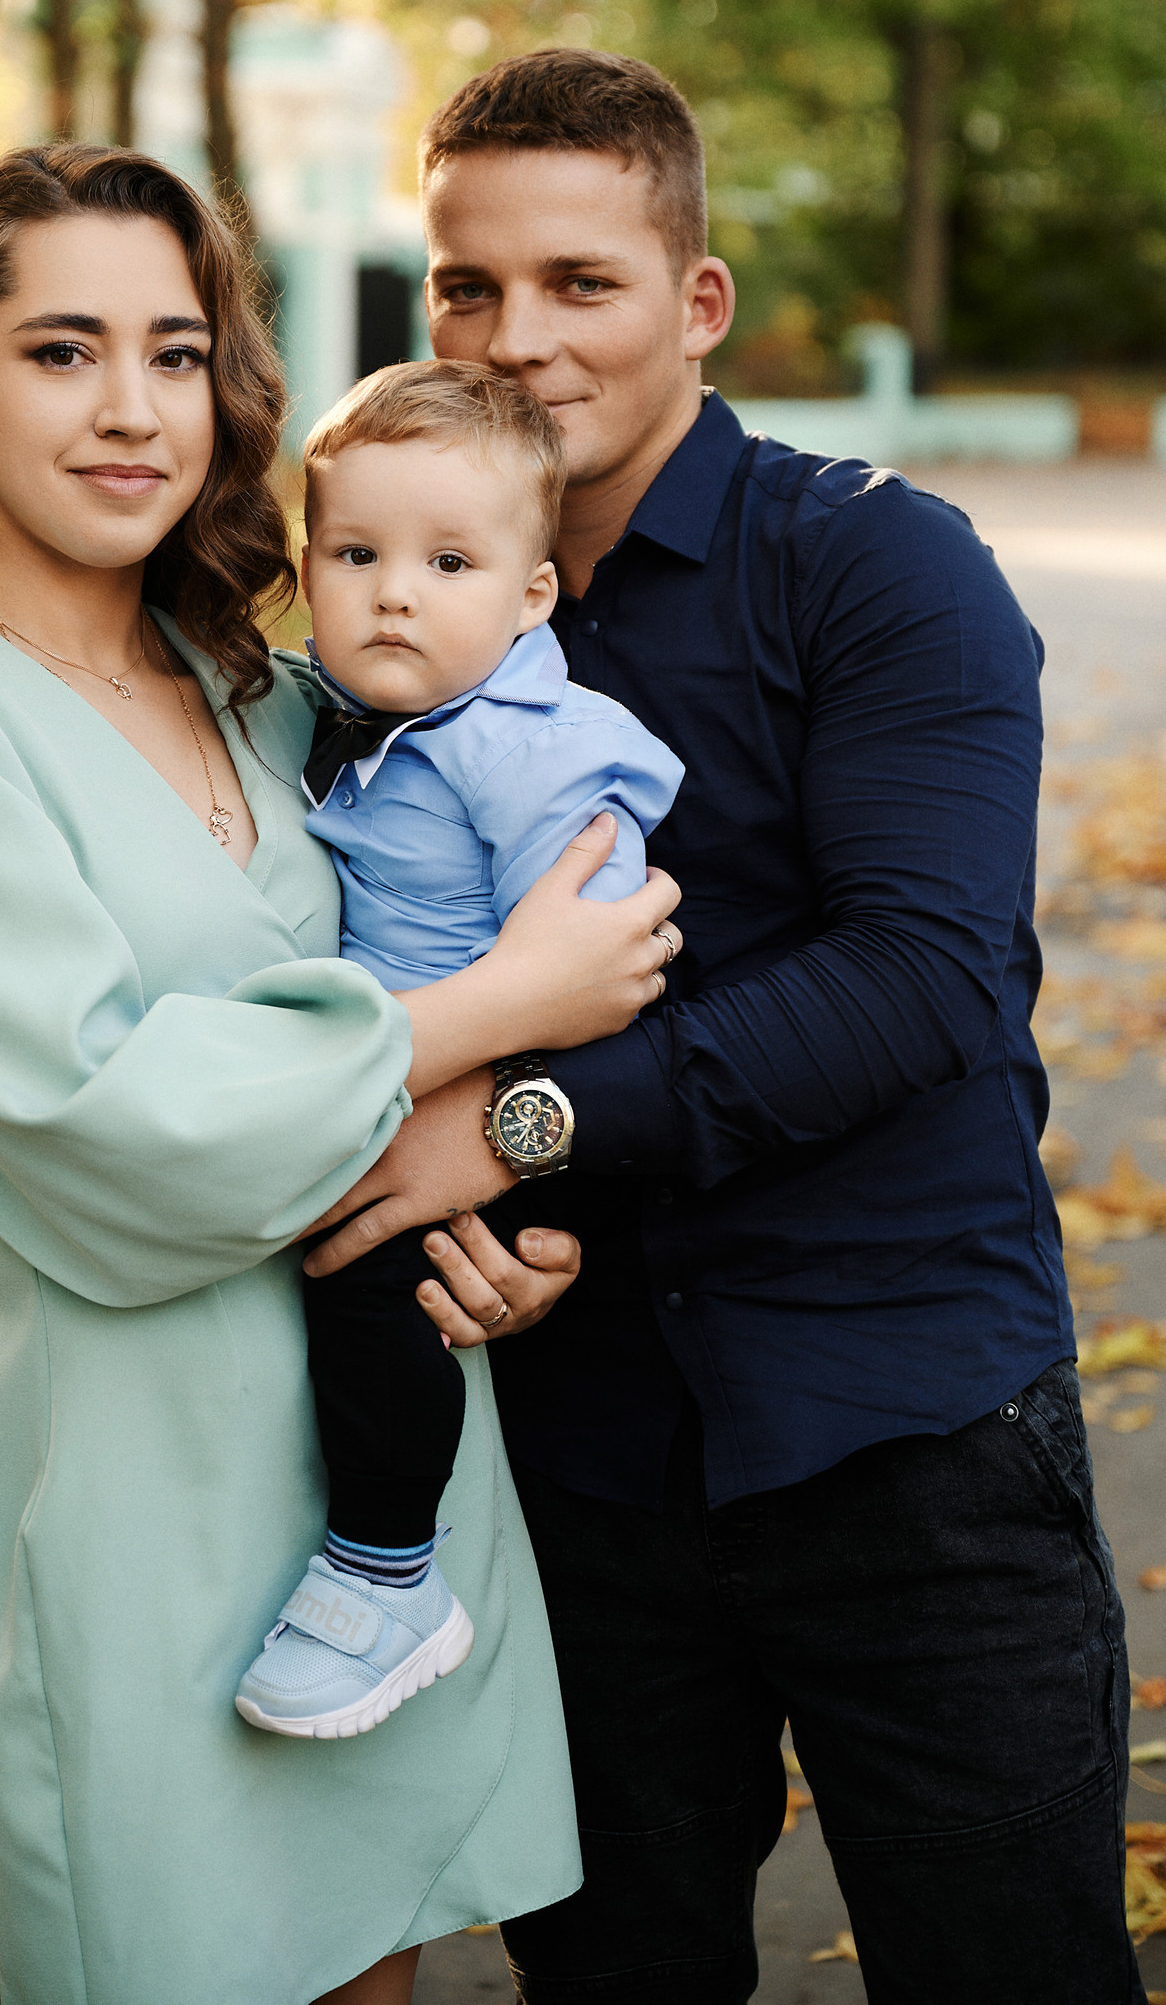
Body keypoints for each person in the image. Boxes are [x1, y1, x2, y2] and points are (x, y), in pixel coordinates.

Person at [297, 49, 1150, 2005]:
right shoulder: (381, 618)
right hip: (572, 1466)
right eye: (468, 285)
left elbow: (926, 977)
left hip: (906, 1434)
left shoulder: (877, 564)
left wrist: (512, 1126)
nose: (516, 340)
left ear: (698, 301)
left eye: (580, 283)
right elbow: (212, 889)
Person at [0, 140, 681, 2005]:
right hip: (148, 1464)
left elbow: (386, 1001)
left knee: (378, 1954)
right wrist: (508, 1004)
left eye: (177, 354)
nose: (132, 410)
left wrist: (503, 1217)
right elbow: (106, 1122)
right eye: (63, 350)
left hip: (384, 1469)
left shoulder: (270, 691)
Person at [235, 358, 683, 1740]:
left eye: (447, 563)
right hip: (399, 1073)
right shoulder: (368, 716)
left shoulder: (534, 748)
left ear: (531, 595)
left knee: (374, 1281)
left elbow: (596, 962)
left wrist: (502, 1115)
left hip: (501, 1107)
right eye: (356, 555)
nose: (396, 595)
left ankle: (387, 1572)